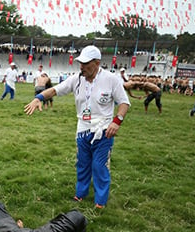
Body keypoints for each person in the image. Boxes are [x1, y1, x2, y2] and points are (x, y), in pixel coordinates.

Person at [24, 45, 130, 208]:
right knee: (82, 163)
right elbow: (54, 90)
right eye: (80, 63)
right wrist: (39, 97)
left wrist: (117, 121)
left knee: (99, 165)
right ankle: (80, 194)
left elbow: (124, 102)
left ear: (97, 62)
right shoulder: (76, 79)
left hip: (103, 130)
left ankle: (100, 201)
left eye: (86, 63)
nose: (82, 67)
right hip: (82, 129)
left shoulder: (111, 79)